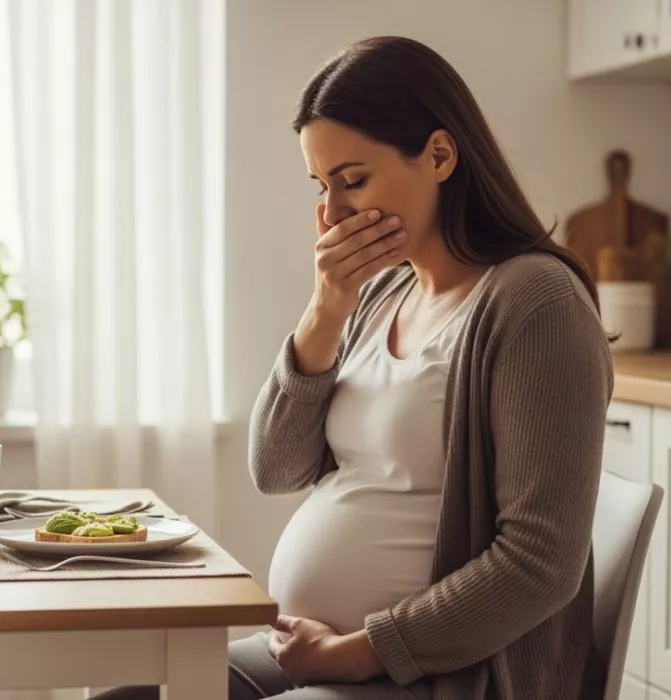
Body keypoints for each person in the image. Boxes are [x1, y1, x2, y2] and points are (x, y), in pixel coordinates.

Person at [96, 35, 612, 700]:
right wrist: (325, 310)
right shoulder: (383, 292)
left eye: (353, 180)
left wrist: (362, 652)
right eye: (322, 186)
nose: (332, 214)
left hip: (442, 674)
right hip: (311, 650)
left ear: (439, 155)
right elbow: (276, 468)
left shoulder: (535, 305)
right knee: (123, 696)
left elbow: (539, 566)